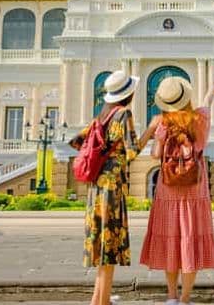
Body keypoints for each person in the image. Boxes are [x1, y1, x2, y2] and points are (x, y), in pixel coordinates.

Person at [139, 77, 214, 305]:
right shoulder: (200, 118)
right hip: (195, 188)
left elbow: (156, 154)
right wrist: (212, 93)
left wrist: (156, 133)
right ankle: (185, 299)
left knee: (171, 240)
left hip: (168, 189)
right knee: (190, 240)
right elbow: (206, 103)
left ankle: (172, 296)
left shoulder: (164, 122)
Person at [68, 70, 143, 305]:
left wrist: (101, 154)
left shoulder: (100, 117)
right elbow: (133, 151)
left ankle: (99, 299)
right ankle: (101, 302)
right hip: (112, 187)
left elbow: (76, 143)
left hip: (95, 187)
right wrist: (150, 131)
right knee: (109, 245)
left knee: (101, 243)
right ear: (129, 94)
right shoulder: (123, 114)